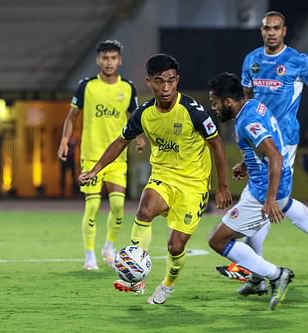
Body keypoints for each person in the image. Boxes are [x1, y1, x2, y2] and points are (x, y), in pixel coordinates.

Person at [78, 54, 233, 304]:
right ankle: (137, 276)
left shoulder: (193, 112)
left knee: (175, 247)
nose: (166, 87)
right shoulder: (144, 114)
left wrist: (223, 187)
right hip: (163, 175)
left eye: (171, 81)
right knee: (145, 209)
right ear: (149, 81)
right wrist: (95, 170)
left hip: (193, 185)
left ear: (177, 80)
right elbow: (121, 141)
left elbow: (216, 145)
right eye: (159, 81)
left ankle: (167, 284)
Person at [217, 11, 308, 281]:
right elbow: (246, 100)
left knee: (266, 197)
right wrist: (245, 156)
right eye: (266, 28)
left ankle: (257, 269)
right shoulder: (251, 60)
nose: (271, 32)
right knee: (272, 199)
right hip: (256, 137)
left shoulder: (298, 61)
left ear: (284, 31)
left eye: (276, 28)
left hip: (283, 140)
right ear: (261, 31)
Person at [207, 72, 294, 310]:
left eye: (215, 103)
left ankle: (277, 275)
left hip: (264, 191)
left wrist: (270, 200)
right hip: (259, 184)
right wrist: (246, 164)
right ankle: (256, 281)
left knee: (217, 240)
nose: (213, 108)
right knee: (251, 234)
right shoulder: (253, 106)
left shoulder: (247, 122)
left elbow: (274, 155)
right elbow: (269, 146)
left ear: (227, 102)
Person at [58, 40, 144, 270]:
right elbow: (72, 116)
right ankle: (89, 256)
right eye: (105, 58)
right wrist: (65, 140)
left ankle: (108, 246)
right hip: (91, 155)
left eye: (113, 58)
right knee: (93, 207)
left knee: (117, 206)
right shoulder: (86, 86)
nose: (109, 62)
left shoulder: (128, 87)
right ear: (98, 60)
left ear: (120, 61)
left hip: (117, 157)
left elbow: (135, 117)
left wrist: (140, 137)